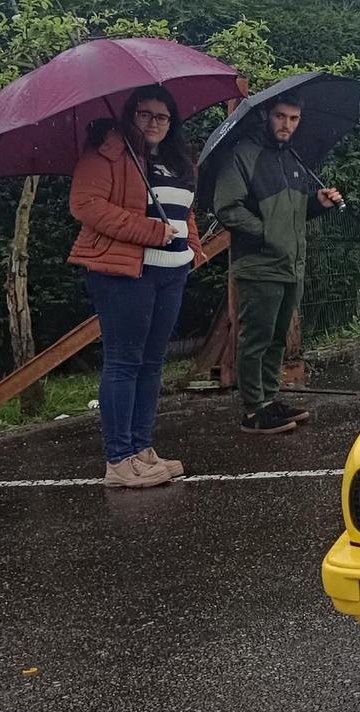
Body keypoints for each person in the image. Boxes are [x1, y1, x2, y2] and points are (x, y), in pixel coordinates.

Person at [69, 85, 204, 489]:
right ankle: (119, 459)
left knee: (152, 362)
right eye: (145, 114)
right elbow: (86, 205)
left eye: (162, 116)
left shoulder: (177, 159)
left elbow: (185, 211)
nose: (154, 123)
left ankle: (142, 449)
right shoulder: (108, 151)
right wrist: (150, 231)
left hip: (171, 272)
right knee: (124, 362)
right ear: (131, 115)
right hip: (125, 272)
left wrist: (193, 250)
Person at [212, 94, 344, 436]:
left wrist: (317, 203)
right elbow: (227, 207)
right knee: (255, 337)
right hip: (258, 264)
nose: (287, 125)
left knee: (276, 340)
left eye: (294, 118)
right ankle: (254, 409)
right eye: (280, 116)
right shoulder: (242, 155)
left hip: (290, 264)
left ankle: (270, 400)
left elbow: (293, 213)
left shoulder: (292, 158)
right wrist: (268, 233)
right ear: (266, 116)